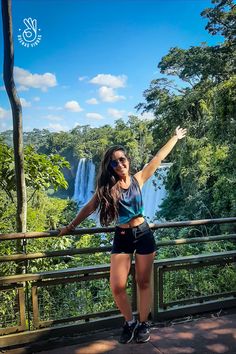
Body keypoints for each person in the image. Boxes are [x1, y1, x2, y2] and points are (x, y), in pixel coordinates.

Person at [59, 126, 187, 344]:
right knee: (117, 286)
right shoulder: (107, 188)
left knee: (143, 281)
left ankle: (144, 323)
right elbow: (89, 208)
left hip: (144, 233)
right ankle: (129, 322)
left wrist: (174, 137)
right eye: (114, 162)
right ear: (109, 166)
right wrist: (70, 226)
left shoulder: (139, 178)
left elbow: (158, 157)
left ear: (127, 160)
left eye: (122, 159)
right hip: (122, 236)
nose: (120, 164)